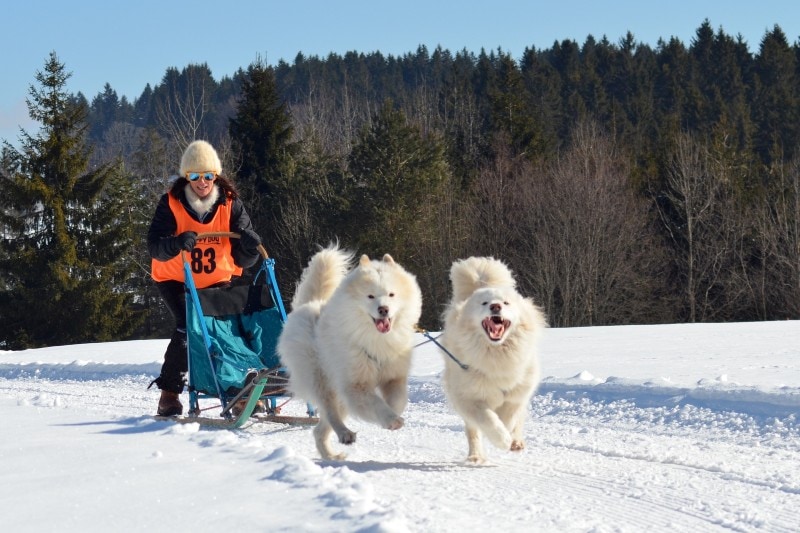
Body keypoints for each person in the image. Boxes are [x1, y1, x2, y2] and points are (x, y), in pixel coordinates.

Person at [147, 140, 263, 416]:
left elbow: (244, 257)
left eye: (208, 176)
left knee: (224, 328)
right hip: (176, 278)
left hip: (216, 279)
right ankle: (170, 392)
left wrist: (249, 248)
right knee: (188, 326)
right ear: (187, 177)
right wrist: (176, 243)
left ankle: (236, 388)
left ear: (216, 176)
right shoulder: (171, 203)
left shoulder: (230, 204)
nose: (203, 182)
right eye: (195, 176)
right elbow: (155, 245)